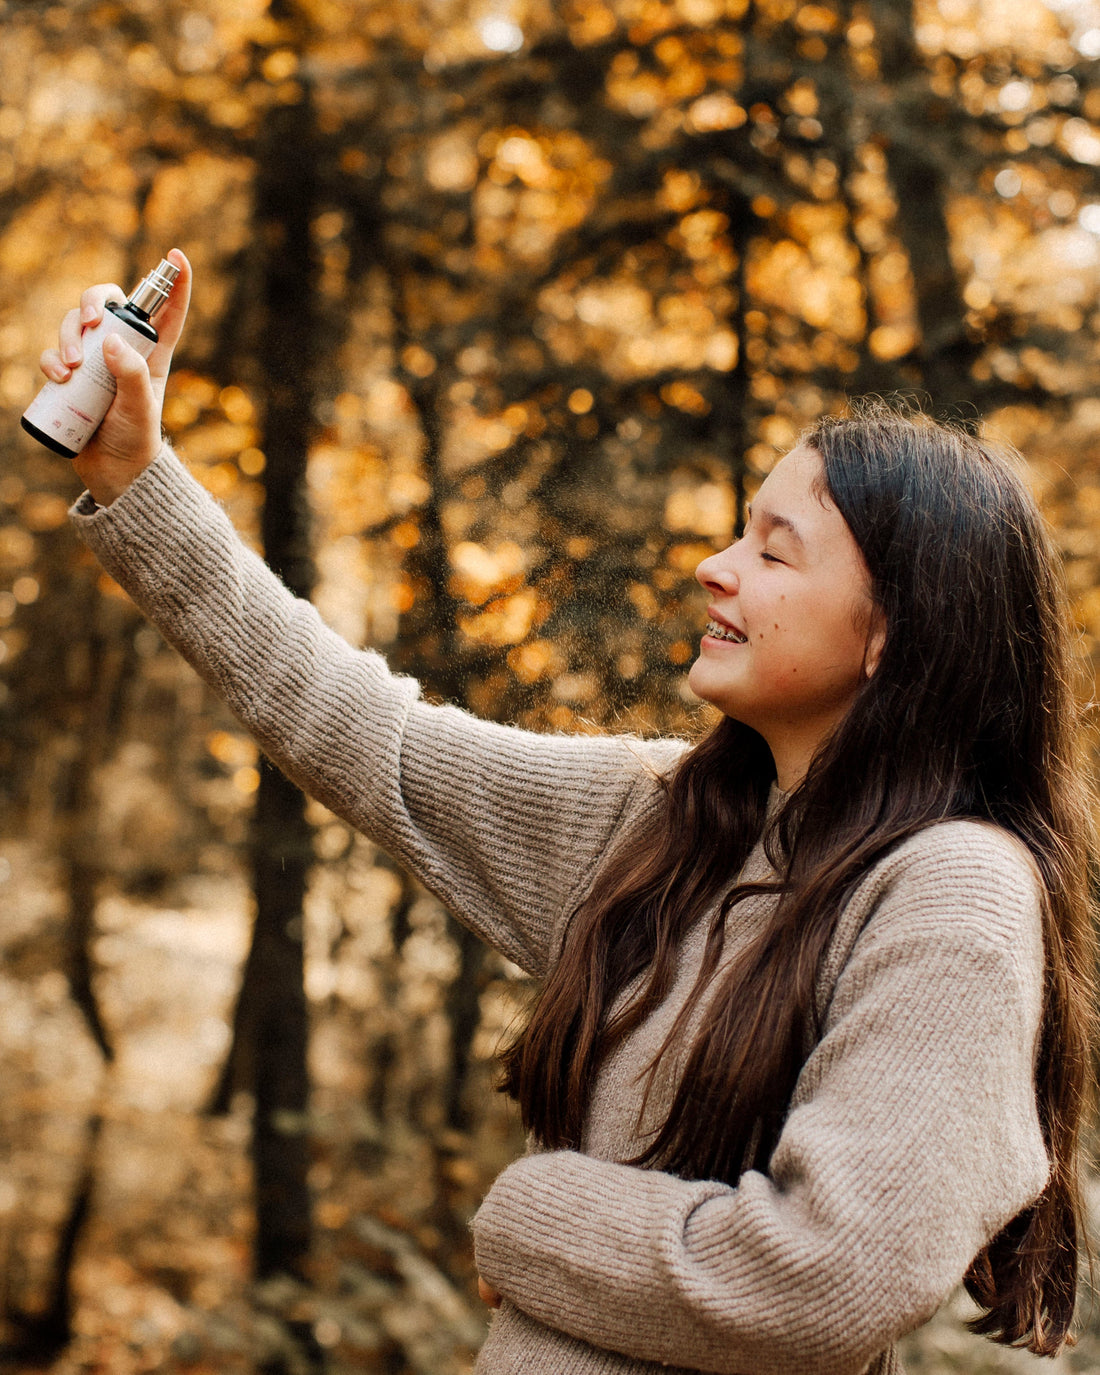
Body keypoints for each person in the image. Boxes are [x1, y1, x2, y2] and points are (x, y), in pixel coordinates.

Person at [38, 248, 1096, 1375]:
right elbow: (367, 733)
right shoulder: (667, 823)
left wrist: (530, 1214)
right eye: (737, 533)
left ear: (890, 631)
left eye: (770, 551)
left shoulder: (950, 892)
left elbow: (817, 1278)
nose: (712, 567)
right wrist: (140, 474)